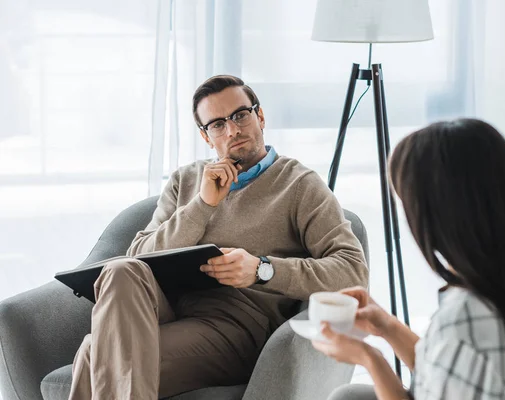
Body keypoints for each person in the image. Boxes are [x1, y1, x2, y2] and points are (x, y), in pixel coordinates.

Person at [68, 75, 369, 400]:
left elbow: (352, 271)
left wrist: (261, 269)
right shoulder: (186, 180)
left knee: (95, 352)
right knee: (119, 271)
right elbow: (137, 255)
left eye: (240, 115)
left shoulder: (299, 185)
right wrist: (203, 204)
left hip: (234, 326)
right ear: (205, 135)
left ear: (260, 116)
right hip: (165, 308)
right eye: (217, 124)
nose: (233, 130)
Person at [313, 119, 505, 400]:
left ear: (439, 217)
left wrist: (369, 358)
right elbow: (448, 375)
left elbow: (457, 355)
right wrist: (385, 326)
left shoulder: (465, 320)